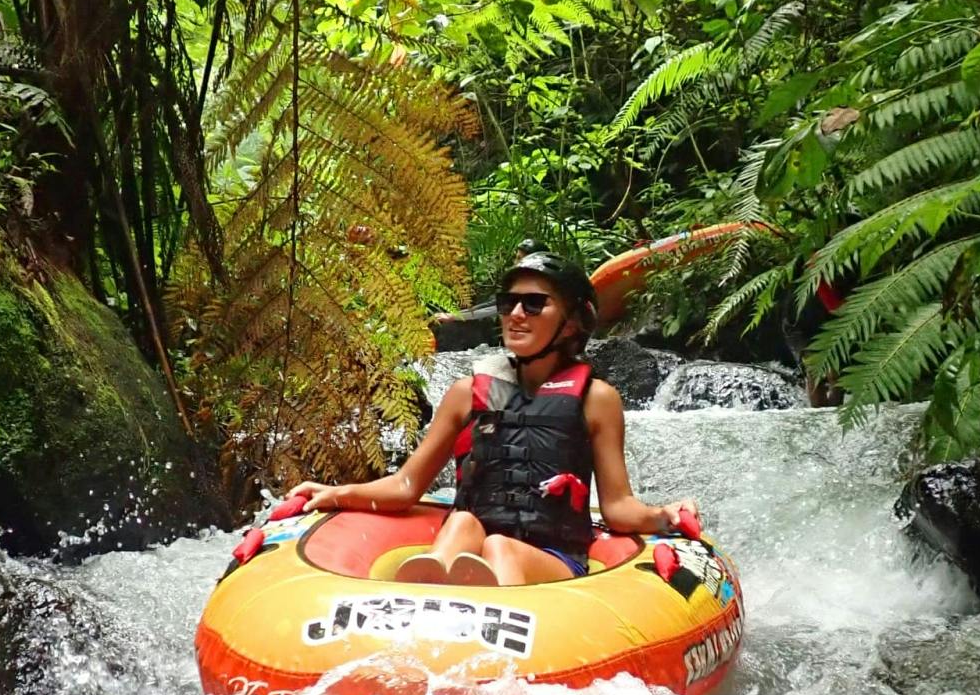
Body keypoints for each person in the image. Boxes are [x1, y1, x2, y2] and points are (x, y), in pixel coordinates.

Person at [288, 251, 698, 587]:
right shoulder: (466, 394)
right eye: (508, 304)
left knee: (500, 547)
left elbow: (617, 507)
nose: (516, 314)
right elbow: (406, 485)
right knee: (463, 522)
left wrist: (664, 515)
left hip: (554, 560)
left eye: (534, 303)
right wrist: (334, 493)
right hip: (472, 546)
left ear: (571, 322)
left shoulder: (597, 399)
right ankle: (419, 600)